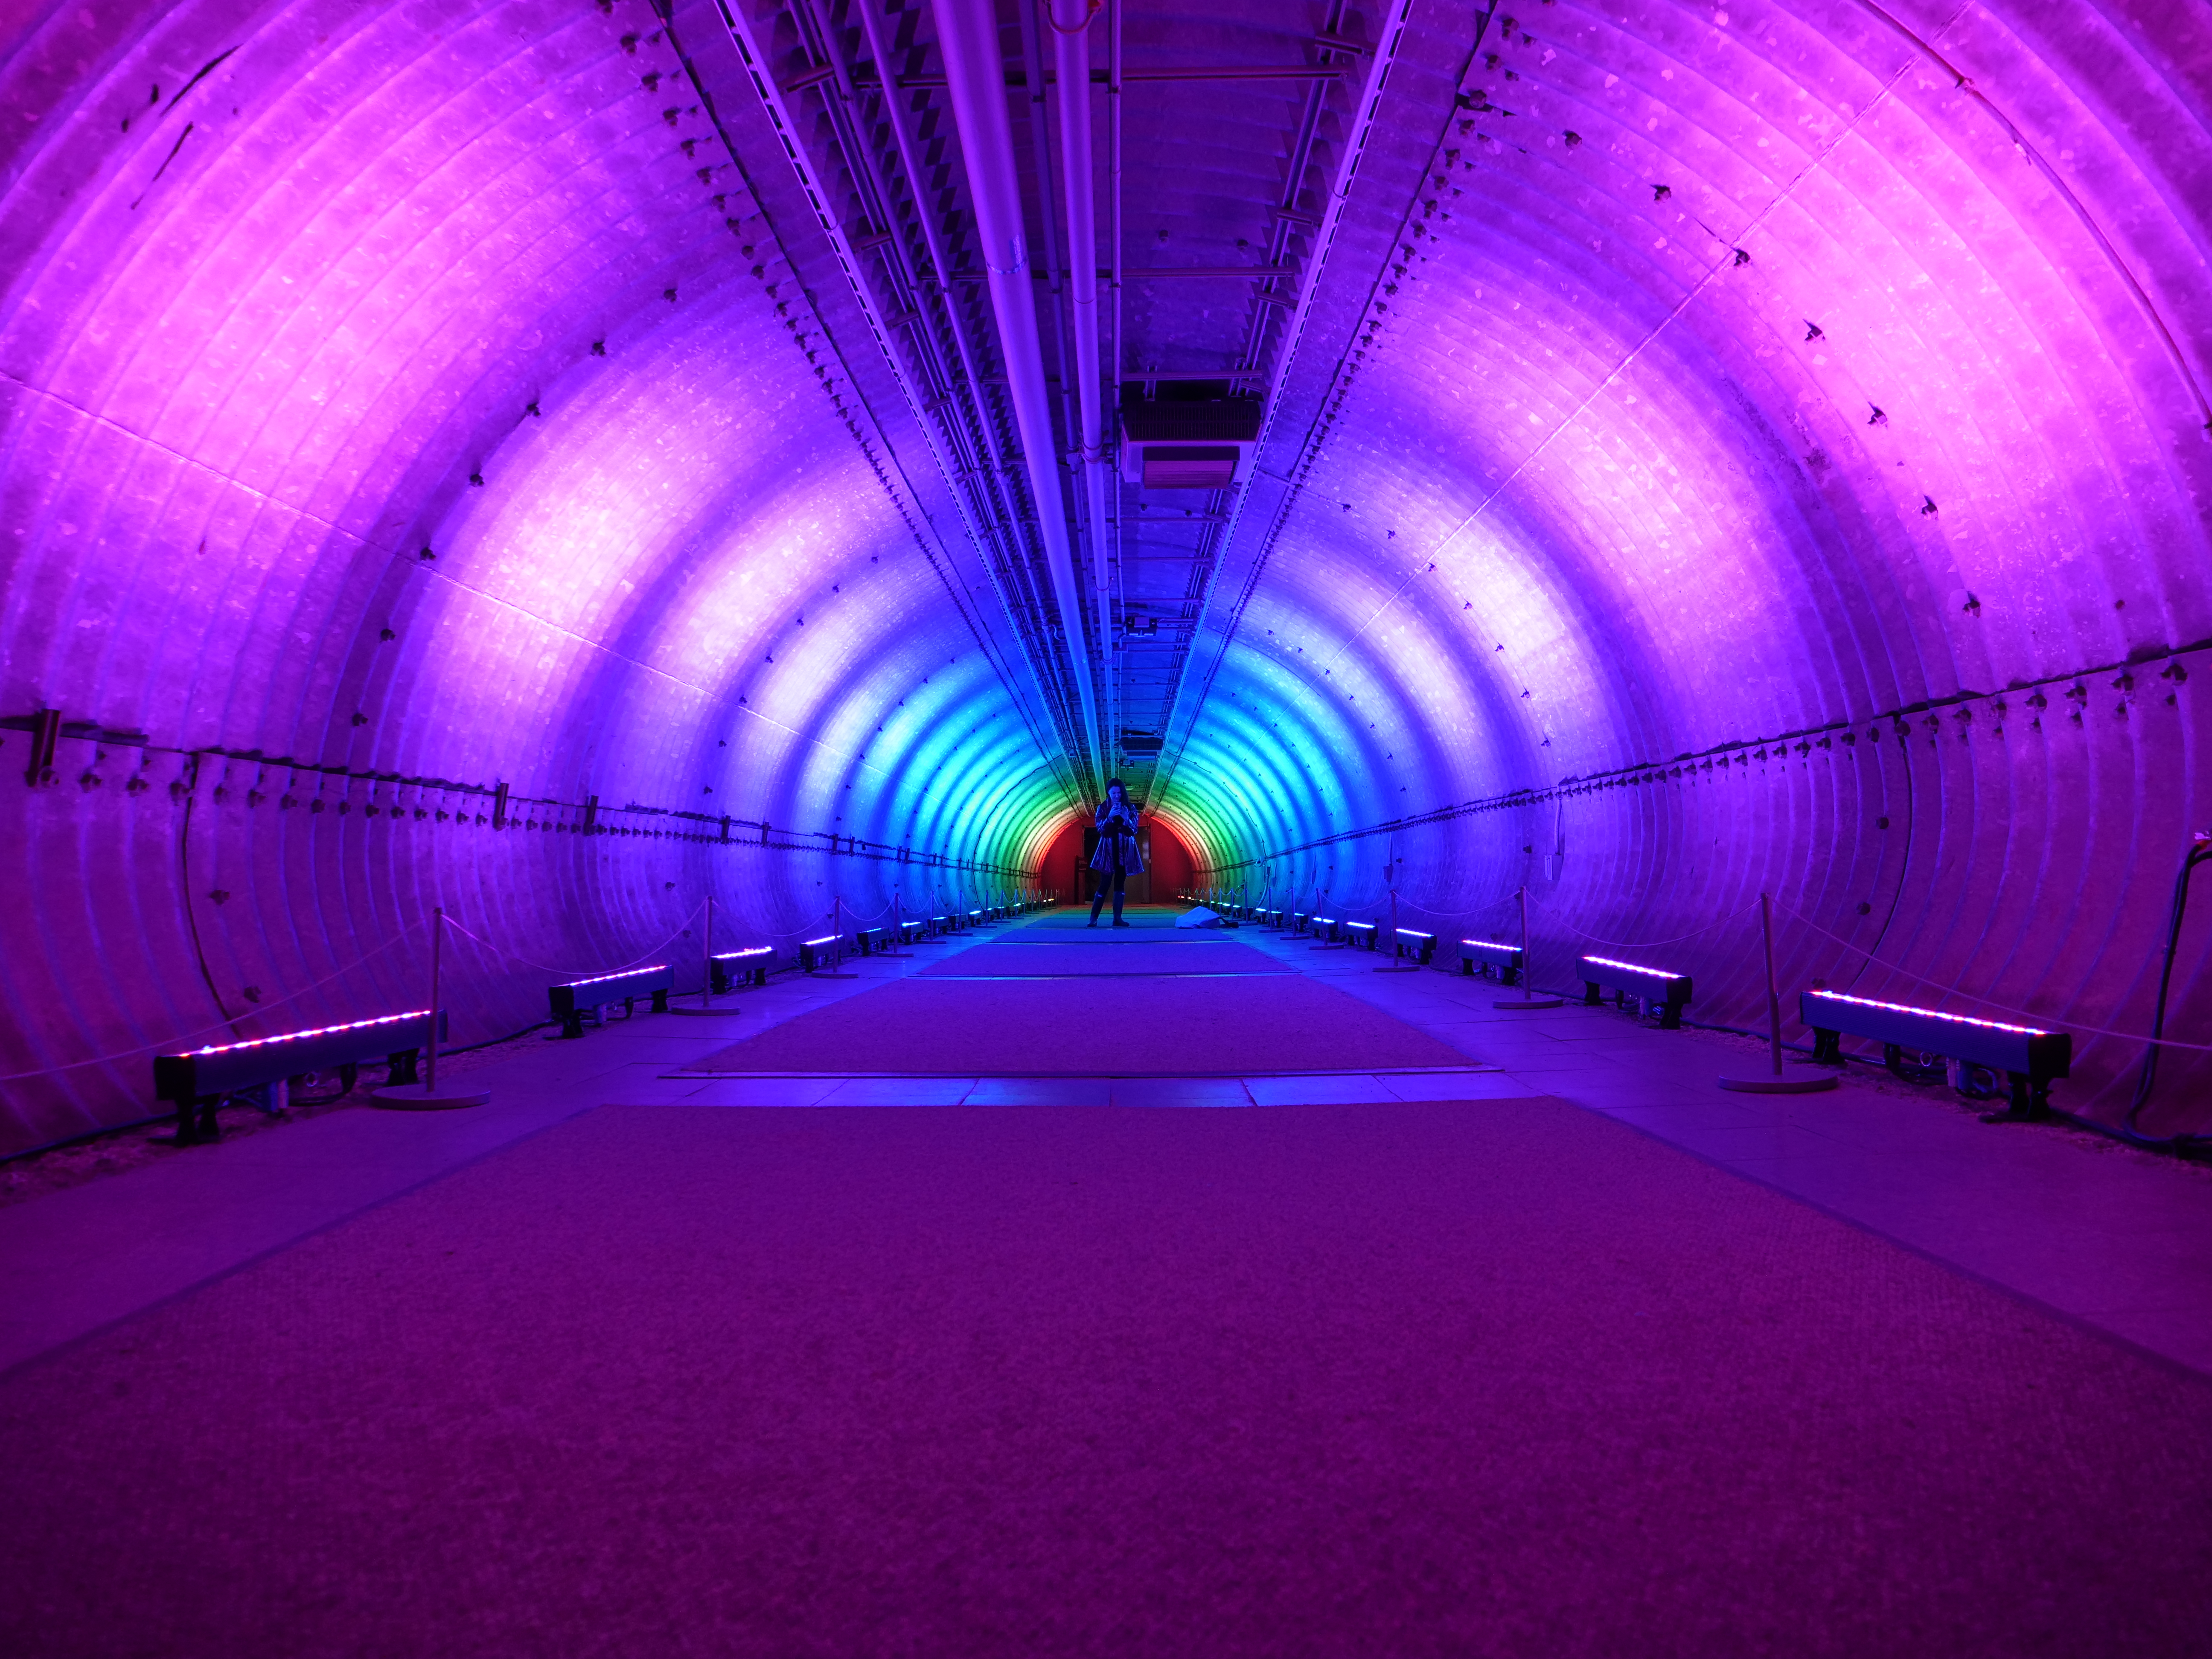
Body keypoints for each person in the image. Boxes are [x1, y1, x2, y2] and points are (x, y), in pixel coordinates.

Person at [1088, 779, 1144, 928]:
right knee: (1104, 884)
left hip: (1125, 851)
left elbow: (1133, 831)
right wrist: (1111, 817)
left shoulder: (1130, 808)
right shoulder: (1103, 808)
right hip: (1108, 851)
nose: (1117, 796)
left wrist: (1126, 819)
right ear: (1108, 793)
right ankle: (1093, 918)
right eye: (1114, 793)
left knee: (1120, 884)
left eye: (1119, 793)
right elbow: (1102, 831)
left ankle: (1117, 918)